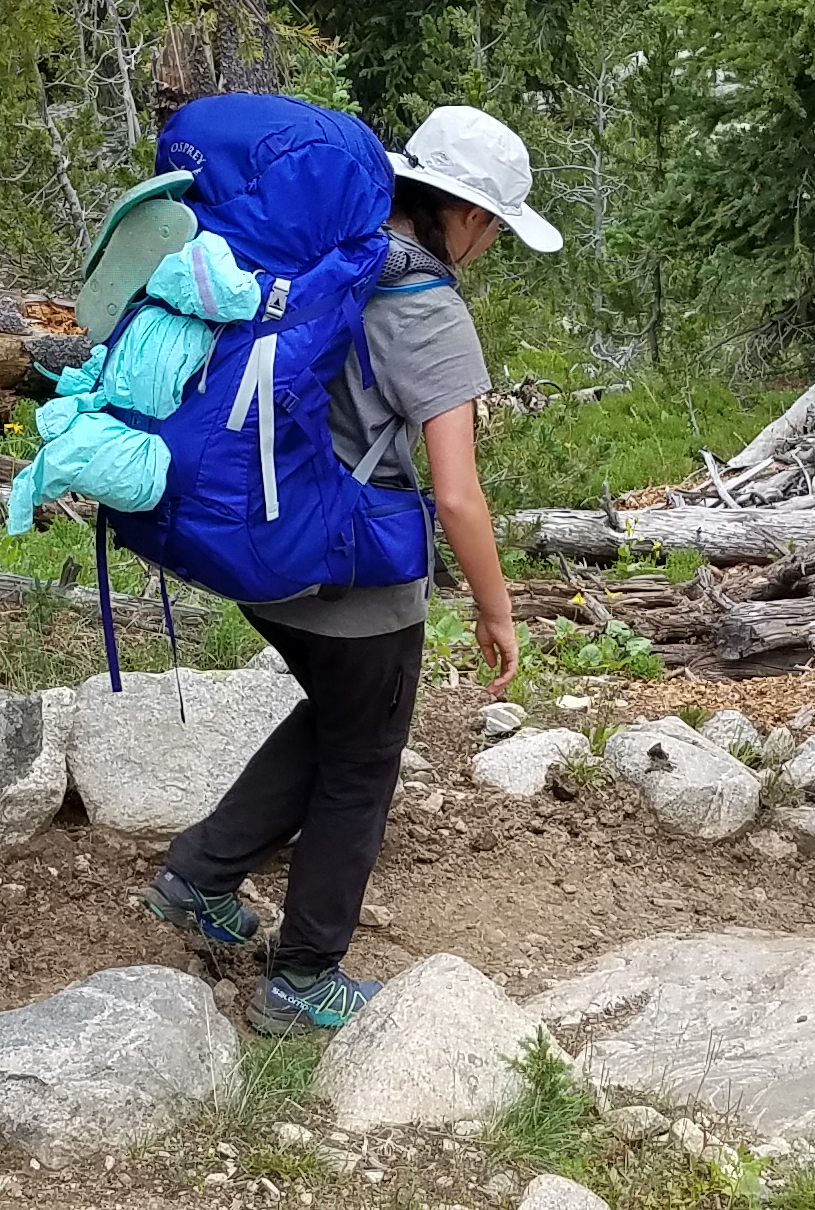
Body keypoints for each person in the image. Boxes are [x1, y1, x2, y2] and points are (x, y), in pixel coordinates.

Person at [144, 102, 551, 1034]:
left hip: (258, 546)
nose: (489, 243)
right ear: (471, 216)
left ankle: (197, 878)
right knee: (362, 764)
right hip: (353, 573)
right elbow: (456, 496)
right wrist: (498, 609)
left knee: (337, 718)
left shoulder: (321, 255)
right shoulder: (429, 308)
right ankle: (304, 977)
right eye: (495, 227)